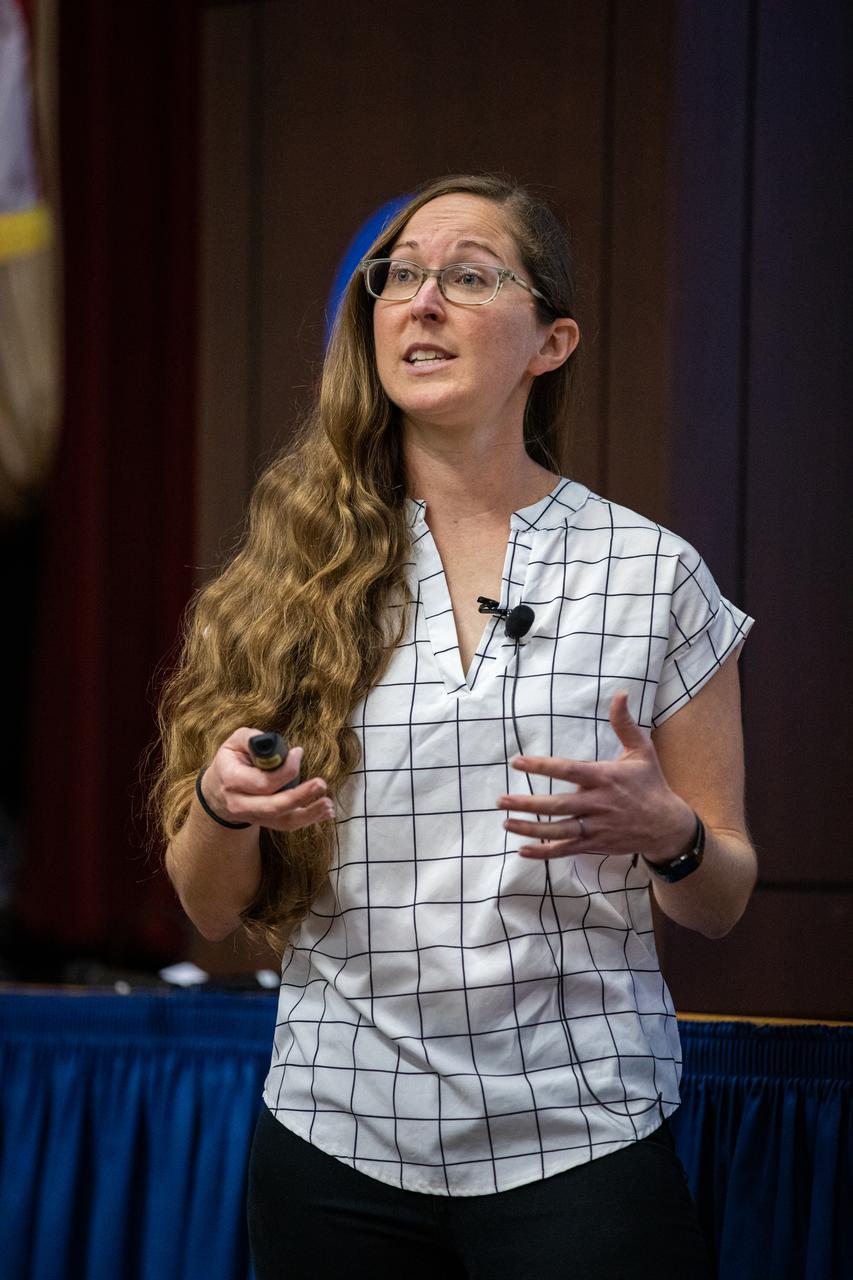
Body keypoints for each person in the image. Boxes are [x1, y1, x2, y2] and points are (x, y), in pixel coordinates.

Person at [155, 173, 756, 1278]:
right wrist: (218, 804)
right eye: (400, 274)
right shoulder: (289, 571)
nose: (420, 300)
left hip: (580, 1140)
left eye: (468, 275)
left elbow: (719, 894)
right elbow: (207, 900)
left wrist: (666, 829)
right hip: (335, 1140)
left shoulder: (653, 572)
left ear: (550, 340)